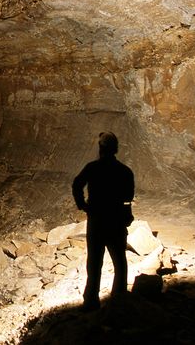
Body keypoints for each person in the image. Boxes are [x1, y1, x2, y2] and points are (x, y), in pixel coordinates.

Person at [72, 131, 135, 310]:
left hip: (97, 221)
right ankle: (119, 298)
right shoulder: (124, 171)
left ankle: (91, 300)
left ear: (101, 149)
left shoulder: (92, 168)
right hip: (116, 220)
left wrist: (82, 205)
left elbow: (77, 184)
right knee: (119, 262)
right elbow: (129, 195)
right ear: (116, 149)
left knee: (94, 263)